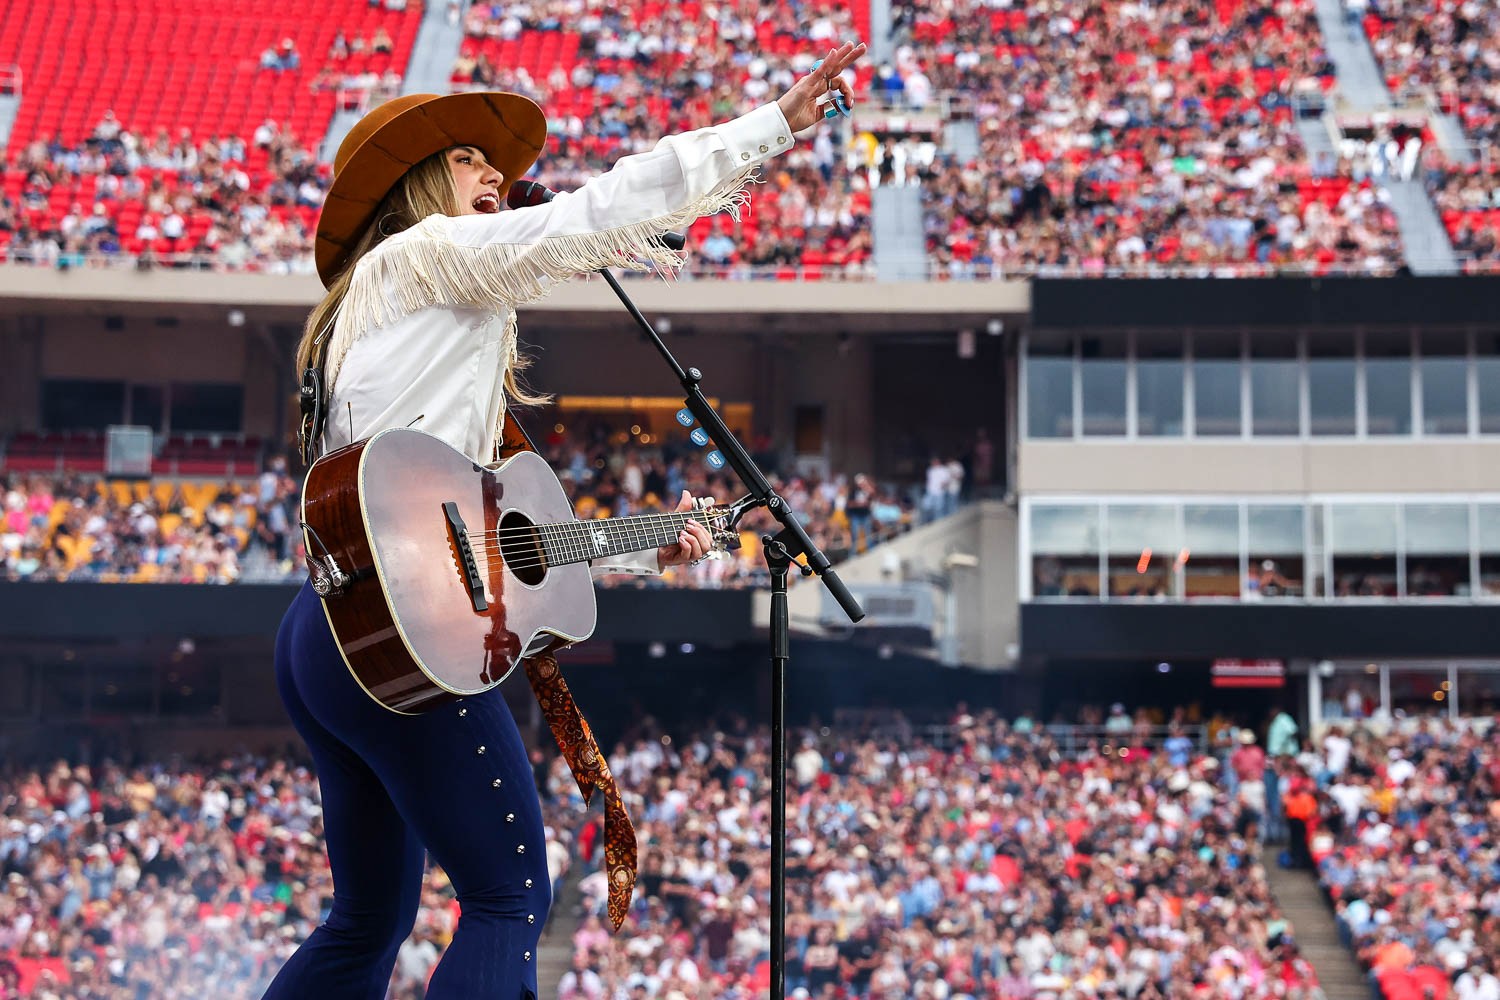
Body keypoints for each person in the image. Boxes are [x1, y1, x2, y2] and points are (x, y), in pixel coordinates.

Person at [264, 39, 867, 1000]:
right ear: (418, 185)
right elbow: (602, 209)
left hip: (325, 631)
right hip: (397, 629)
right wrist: (771, 128)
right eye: (467, 159)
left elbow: (491, 544)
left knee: (367, 918)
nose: (496, 171)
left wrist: (642, 543)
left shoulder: (360, 317)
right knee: (511, 894)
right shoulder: (432, 254)